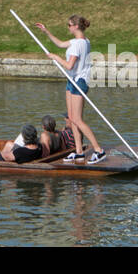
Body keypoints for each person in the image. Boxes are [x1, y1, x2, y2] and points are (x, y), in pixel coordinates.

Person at [36, 16, 106, 164]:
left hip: (79, 82)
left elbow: (69, 66)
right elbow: (60, 43)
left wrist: (55, 57)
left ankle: (99, 150)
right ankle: (79, 151)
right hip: (72, 81)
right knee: (72, 118)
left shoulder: (78, 45)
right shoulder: (80, 41)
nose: (67, 27)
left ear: (76, 26)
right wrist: (46, 31)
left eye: (69, 25)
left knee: (78, 120)